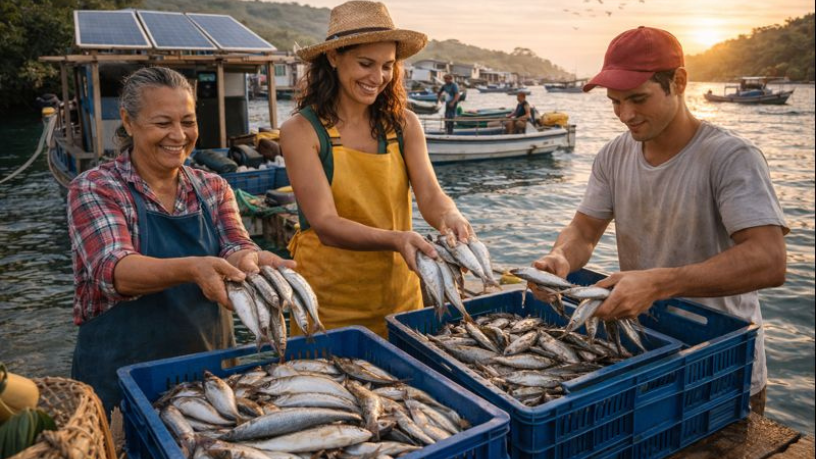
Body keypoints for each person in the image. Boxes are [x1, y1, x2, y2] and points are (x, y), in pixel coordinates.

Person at [529, 27, 787, 415]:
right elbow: (584, 230)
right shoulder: (613, 156)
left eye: (638, 98)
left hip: (722, 360)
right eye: (615, 102)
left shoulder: (731, 156)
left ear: (679, 82)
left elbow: (770, 259)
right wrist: (560, 258)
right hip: (645, 349)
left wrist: (659, 282)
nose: (625, 115)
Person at [67, 66, 293, 414]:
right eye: (162, 123)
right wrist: (193, 268)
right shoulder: (96, 187)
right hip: (122, 385)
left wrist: (252, 259)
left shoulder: (212, 186)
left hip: (210, 377)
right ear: (128, 121)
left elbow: (235, 245)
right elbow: (114, 271)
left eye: (188, 122)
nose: (179, 135)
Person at [280, 0, 473, 337]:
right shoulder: (301, 131)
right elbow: (325, 224)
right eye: (366, 63)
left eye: (387, 66)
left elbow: (430, 194)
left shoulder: (404, 125)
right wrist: (398, 239)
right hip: (328, 305)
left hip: (398, 298)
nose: (378, 77)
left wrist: (450, 217)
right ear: (334, 57)